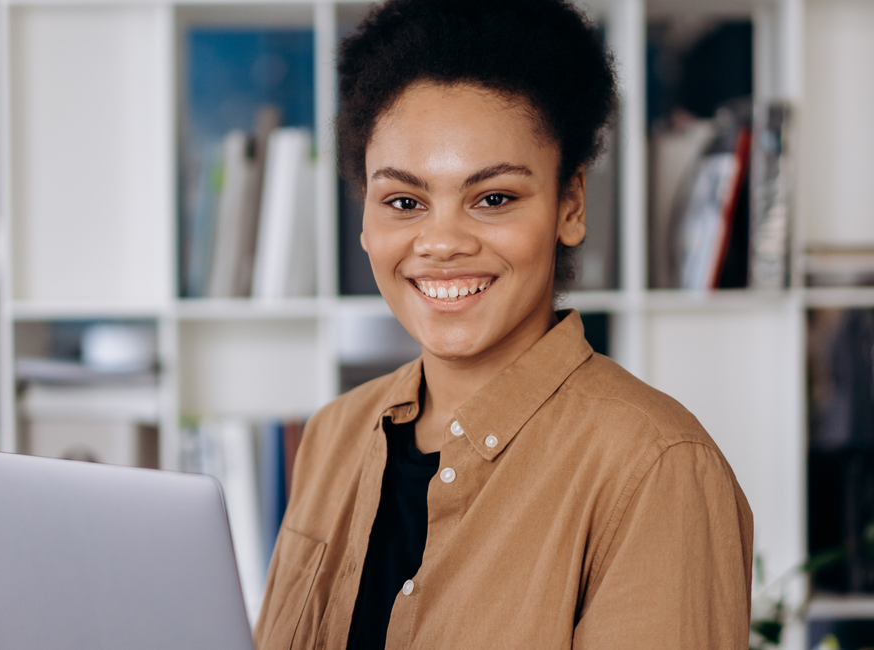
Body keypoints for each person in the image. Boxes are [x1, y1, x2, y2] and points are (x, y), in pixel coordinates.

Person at [254, 0, 754, 647]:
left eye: (493, 198)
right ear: (365, 221)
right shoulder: (332, 436)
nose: (442, 243)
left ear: (570, 205)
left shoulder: (655, 470)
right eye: (404, 201)